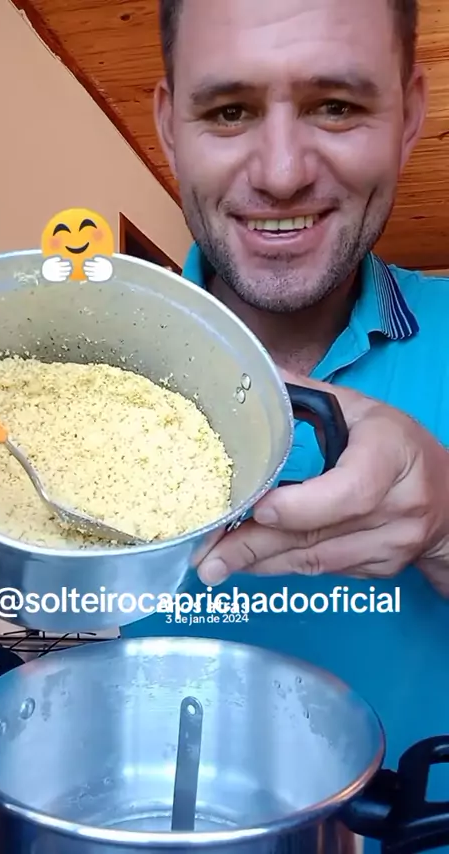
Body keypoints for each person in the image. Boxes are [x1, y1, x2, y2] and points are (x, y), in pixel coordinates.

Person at [121, 0, 449, 840]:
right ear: (169, 126)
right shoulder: (89, 365)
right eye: (229, 111)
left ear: (410, 114)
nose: (280, 173)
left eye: (335, 105)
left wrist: (446, 524)